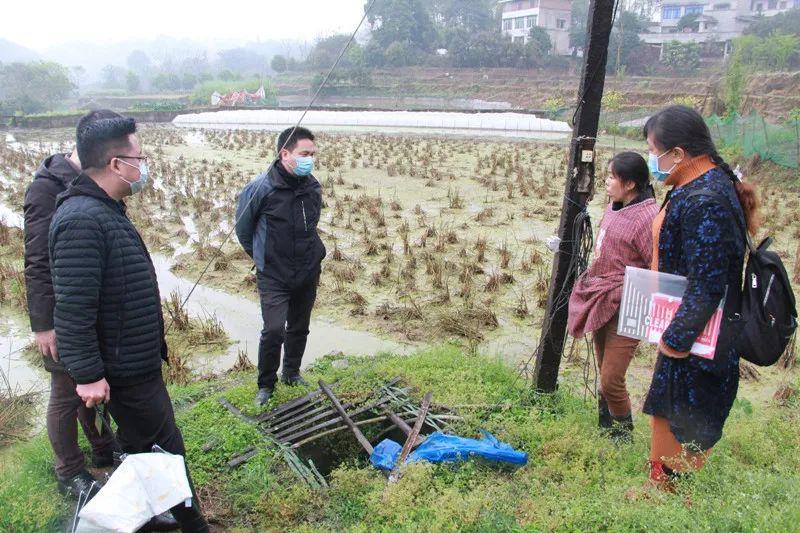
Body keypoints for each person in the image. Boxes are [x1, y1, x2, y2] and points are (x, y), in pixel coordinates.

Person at [49, 114, 209, 531]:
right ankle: (193, 524)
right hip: (124, 371)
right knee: (166, 450)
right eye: (140, 156)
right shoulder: (83, 219)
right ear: (117, 163)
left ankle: (147, 514)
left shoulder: (103, 210)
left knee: (142, 445)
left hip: (133, 362)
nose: (144, 165)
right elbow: (72, 309)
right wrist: (87, 374)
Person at [641, 105, 757, 491]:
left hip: (697, 339)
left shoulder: (705, 200)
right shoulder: (697, 185)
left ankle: (669, 498)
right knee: (668, 412)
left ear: (679, 153)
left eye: (655, 150)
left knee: (683, 418)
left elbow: (708, 283)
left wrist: (676, 339)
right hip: (686, 327)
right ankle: (662, 490)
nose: (652, 161)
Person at [23, 110, 119, 498]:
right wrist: (44, 323)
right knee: (65, 391)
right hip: (61, 314)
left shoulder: (90, 184)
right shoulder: (46, 190)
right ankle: (69, 472)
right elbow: (37, 261)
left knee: (89, 384)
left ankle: (103, 449)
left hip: (88, 307)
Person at [567, 152, 658, 441]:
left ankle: (622, 435)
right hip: (602, 297)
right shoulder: (615, 205)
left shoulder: (648, 218)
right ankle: (605, 429)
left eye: (611, 177)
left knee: (611, 378)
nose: (605, 181)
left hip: (629, 303)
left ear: (630, 183)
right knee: (604, 367)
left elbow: (655, 265)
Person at [235, 126, 326, 406]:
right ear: (285, 153)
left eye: (312, 154)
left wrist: (313, 256)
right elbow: (243, 229)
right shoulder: (260, 188)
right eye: (304, 153)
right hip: (274, 274)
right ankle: (266, 384)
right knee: (274, 329)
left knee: (300, 326)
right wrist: (264, 257)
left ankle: (291, 372)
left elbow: (313, 224)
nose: (309, 159)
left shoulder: (312, 186)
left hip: (307, 269)